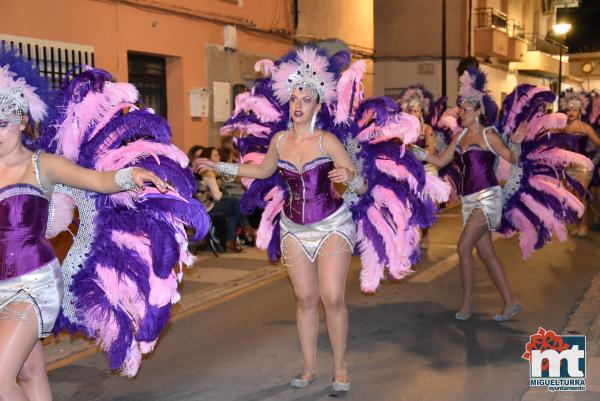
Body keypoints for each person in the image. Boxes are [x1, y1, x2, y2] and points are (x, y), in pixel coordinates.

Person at [195, 59, 367, 391]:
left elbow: (358, 186)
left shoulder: (327, 141)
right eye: (294, 98)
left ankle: (341, 368)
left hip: (332, 224)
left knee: (331, 297)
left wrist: (350, 177)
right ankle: (308, 368)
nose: (298, 105)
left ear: (317, 104)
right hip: (293, 227)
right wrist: (221, 168)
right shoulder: (279, 141)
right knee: (305, 298)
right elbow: (260, 172)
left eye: (306, 99)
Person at [0, 60, 167, 401]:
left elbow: (97, 181)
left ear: (20, 120)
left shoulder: (42, 165)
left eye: (1, 123)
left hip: (32, 284)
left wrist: (128, 175)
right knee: (30, 372)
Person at [413, 67, 524, 322]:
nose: (460, 112)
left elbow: (512, 158)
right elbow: (440, 161)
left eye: (466, 109)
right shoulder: (460, 136)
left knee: (463, 248)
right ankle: (510, 302)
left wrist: (516, 141)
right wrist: (418, 154)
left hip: (488, 197)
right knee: (485, 252)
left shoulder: (489, 135)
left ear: (479, 111)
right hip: (468, 200)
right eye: (460, 108)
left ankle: (467, 304)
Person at [398, 85, 438, 249]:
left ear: (422, 112)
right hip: (408, 170)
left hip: (425, 169)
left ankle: (425, 233)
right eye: (412, 109)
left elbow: (431, 149)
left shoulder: (426, 129)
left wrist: (415, 151)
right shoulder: (402, 131)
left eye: (418, 110)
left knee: (424, 204)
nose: (415, 112)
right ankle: (410, 237)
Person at [558, 89, 600, 237]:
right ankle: (579, 225)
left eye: (575, 109)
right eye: (569, 108)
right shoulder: (561, 127)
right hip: (566, 167)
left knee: (580, 196)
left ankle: (584, 227)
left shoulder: (585, 128)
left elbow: (598, 142)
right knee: (571, 198)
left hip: (583, 167)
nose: (571, 112)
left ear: (580, 111)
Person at [196, 146, 249, 252]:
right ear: (208, 158)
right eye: (215, 155)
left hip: (208, 204)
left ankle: (235, 237)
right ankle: (243, 230)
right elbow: (217, 196)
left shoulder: (211, 172)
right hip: (206, 207)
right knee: (236, 203)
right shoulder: (207, 172)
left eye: (218, 155)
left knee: (235, 209)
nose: (219, 157)